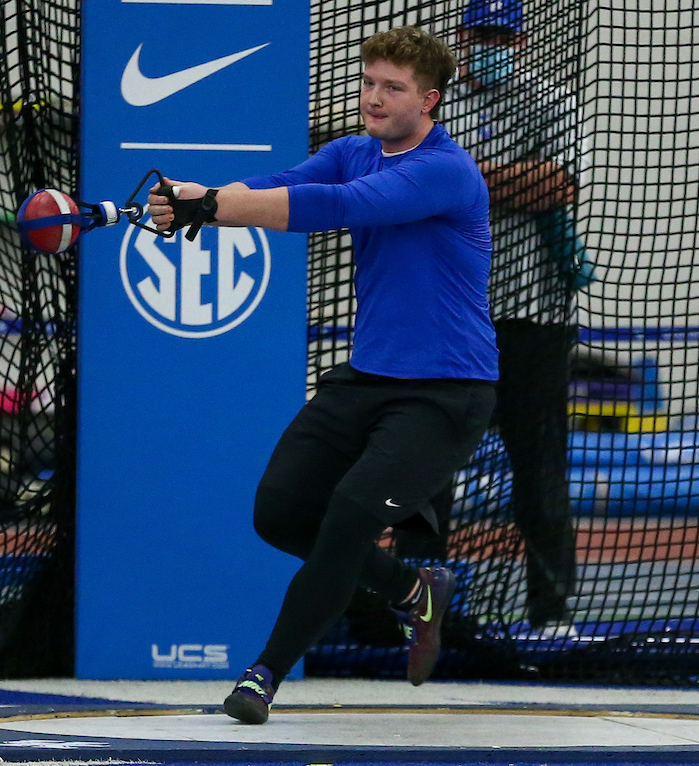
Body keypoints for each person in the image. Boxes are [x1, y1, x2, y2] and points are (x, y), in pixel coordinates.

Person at [148, 26, 498, 724]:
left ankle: (263, 675)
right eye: (369, 82)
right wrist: (203, 194)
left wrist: (209, 207)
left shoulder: (444, 170)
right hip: (367, 380)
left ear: (428, 100)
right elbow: (284, 185)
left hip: (444, 394)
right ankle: (414, 592)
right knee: (278, 514)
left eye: (392, 87)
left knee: (344, 524)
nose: (374, 96)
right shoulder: (353, 151)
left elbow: (339, 208)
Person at [439, 0, 596, 636]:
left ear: (520, 39)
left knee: (541, 472)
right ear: (461, 35)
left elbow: (559, 185)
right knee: (428, 471)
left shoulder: (546, 97)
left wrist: (465, 181)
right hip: (451, 316)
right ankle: (417, 612)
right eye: (480, 33)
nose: (490, 44)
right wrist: (509, 180)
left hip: (535, 320)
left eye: (502, 34)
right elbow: (412, 183)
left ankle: (550, 615)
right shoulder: (431, 105)